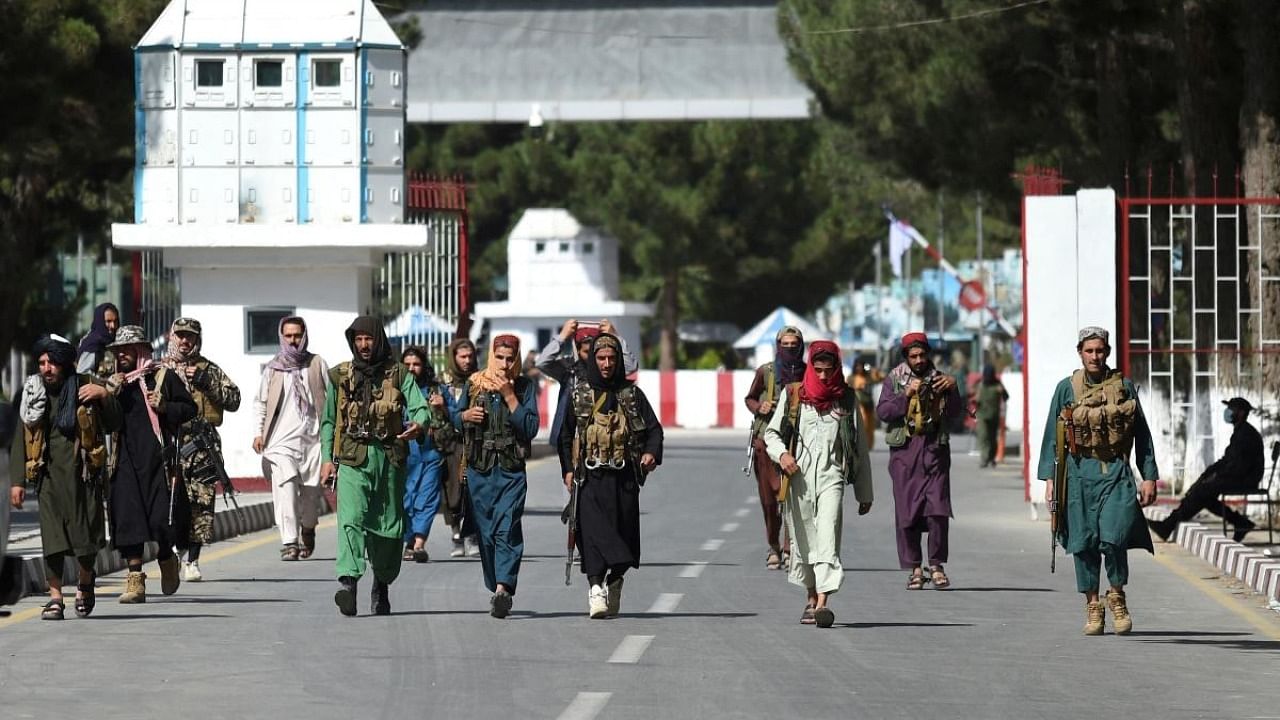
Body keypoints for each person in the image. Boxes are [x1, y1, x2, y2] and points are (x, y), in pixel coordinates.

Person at [1038, 326, 1159, 636]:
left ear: (1107, 352)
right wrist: (1050, 481)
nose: (1095, 356)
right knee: (1083, 542)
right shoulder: (1066, 389)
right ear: (1080, 352)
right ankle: (1093, 605)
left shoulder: (1125, 388)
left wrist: (1149, 477)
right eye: (1089, 350)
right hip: (1078, 475)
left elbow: (1142, 435)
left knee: (1114, 538)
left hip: (1117, 471)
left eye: (1100, 350)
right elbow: (1053, 439)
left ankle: (1116, 596)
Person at [320, 317, 427, 616]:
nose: (364, 345)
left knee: (387, 527)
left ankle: (381, 584)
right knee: (350, 519)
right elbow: (329, 421)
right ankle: (348, 584)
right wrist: (327, 459)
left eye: (369, 339)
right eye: (359, 339)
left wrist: (419, 422)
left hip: (389, 458)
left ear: (378, 339)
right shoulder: (341, 376)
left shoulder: (399, 373)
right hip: (354, 457)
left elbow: (419, 405)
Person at [764, 340, 873, 628]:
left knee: (827, 537)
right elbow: (771, 434)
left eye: (829, 369)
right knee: (804, 540)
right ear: (811, 367)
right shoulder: (795, 396)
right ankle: (810, 597)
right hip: (799, 479)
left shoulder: (847, 399)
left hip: (832, 478)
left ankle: (823, 603)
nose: (824, 376)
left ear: (837, 367)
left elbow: (860, 448)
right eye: (818, 369)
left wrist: (864, 492)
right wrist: (783, 455)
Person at [8, 335, 118, 620]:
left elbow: (115, 424)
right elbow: (20, 438)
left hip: (84, 477)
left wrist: (105, 395)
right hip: (47, 478)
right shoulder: (32, 393)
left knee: (86, 539)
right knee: (52, 540)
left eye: (52, 362)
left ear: (66, 363)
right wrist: (17, 481)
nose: (46, 368)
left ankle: (84, 581)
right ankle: (55, 597)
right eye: (42, 362)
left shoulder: (86, 386)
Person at [559, 333, 663, 618]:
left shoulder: (631, 395)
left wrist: (650, 454)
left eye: (611, 358)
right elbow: (565, 436)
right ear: (593, 359)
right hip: (589, 479)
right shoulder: (580, 394)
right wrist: (568, 469)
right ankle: (595, 590)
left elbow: (654, 431)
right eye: (601, 358)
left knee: (625, 544)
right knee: (592, 537)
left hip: (624, 480)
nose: (606, 364)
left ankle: (615, 580)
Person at [106, 325, 198, 603]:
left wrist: (165, 406)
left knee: (161, 523)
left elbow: (189, 409)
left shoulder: (162, 377)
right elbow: (106, 422)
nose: (121, 355)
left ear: (140, 351)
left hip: (159, 462)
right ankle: (135, 581)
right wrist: (108, 396)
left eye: (126, 350)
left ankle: (166, 556)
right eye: (117, 351)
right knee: (129, 519)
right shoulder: (116, 384)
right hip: (125, 461)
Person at [452, 335, 539, 618]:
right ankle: (496, 583)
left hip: (511, 472)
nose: (504, 364)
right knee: (486, 534)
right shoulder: (475, 383)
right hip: (480, 471)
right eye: (499, 357)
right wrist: (465, 416)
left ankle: (503, 589)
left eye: (510, 358)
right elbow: (454, 417)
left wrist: (511, 397)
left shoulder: (524, 387)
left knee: (507, 529)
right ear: (491, 356)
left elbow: (530, 427)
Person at [877, 332, 962, 591]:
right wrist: (905, 394)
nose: (919, 360)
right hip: (905, 454)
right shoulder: (894, 379)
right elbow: (883, 411)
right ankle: (915, 567)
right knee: (907, 512)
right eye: (913, 356)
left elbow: (956, 414)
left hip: (934, 451)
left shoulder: (940, 379)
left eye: (922, 355)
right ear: (906, 357)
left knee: (938, 510)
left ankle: (936, 565)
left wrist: (954, 388)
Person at [162, 318, 241, 581]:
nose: (185, 341)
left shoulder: (208, 369)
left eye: (191, 337)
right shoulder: (160, 370)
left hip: (202, 445)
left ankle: (192, 559)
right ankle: (174, 550)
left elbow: (234, 399)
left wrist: (207, 382)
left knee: (203, 501)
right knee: (173, 501)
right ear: (172, 336)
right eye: (181, 336)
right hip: (171, 444)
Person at [253, 316, 330, 561]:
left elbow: (332, 401)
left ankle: (308, 528)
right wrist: (258, 432)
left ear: (304, 335)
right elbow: (261, 403)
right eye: (288, 336)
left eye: (297, 335)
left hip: (314, 441)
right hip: (280, 443)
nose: (293, 340)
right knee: (284, 489)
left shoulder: (317, 364)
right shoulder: (273, 368)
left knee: (311, 495)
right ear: (281, 337)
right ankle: (289, 541)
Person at [1149, 397, 1262, 543]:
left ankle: (1169, 525)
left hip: (1246, 480)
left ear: (1240, 413)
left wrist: (1216, 477)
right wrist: (1207, 474)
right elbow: (1227, 460)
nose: (1228, 412)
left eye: (1231, 409)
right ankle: (1240, 522)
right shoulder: (1240, 432)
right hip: (1238, 476)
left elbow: (1238, 466)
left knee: (1203, 492)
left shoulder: (1246, 434)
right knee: (1202, 491)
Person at [743, 326, 806, 570]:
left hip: (798, 441)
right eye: (785, 344)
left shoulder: (810, 373)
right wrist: (760, 406)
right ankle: (774, 546)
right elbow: (749, 398)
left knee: (793, 497)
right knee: (770, 501)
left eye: (794, 344)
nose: (790, 348)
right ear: (778, 345)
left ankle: (790, 547)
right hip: (766, 442)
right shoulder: (766, 372)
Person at [538, 318, 638, 453]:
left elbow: (631, 366)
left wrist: (615, 337)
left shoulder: (607, 369)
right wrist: (562, 337)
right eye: (587, 352)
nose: (591, 357)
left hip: (605, 437)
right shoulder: (569, 370)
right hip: (575, 439)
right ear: (578, 351)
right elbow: (542, 363)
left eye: (594, 353)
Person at [401, 347, 451, 563]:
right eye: (407, 364)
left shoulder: (436, 389)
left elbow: (455, 416)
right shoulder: (394, 389)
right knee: (405, 498)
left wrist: (444, 406)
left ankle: (419, 544)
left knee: (428, 498)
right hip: (403, 452)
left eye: (416, 364)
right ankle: (408, 540)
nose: (412, 368)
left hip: (431, 452)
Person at [439, 338, 479, 558]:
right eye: (462, 357)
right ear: (454, 357)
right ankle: (456, 533)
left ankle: (472, 534)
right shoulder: (443, 382)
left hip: (474, 441)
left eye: (470, 356)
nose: (467, 361)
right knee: (452, 491)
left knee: (472, 490)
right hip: (450, 444)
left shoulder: (480, 379)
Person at [974, 365, 1009, 468]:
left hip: (994, 415)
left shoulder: (998, 384)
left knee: (992, 438)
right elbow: (974, 398)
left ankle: (991, 458)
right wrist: (975, 399)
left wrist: (1002, 391)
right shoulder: (980, 384)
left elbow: (1006, 397)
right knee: (983, 437)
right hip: (982, 415)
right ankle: (984, 458)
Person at [76, 302, 120, 376]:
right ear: (100, 321)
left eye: (115, 321)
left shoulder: (113, 341)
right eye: (108, 321)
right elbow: (83, 374)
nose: (113, 326)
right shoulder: (92, 344)